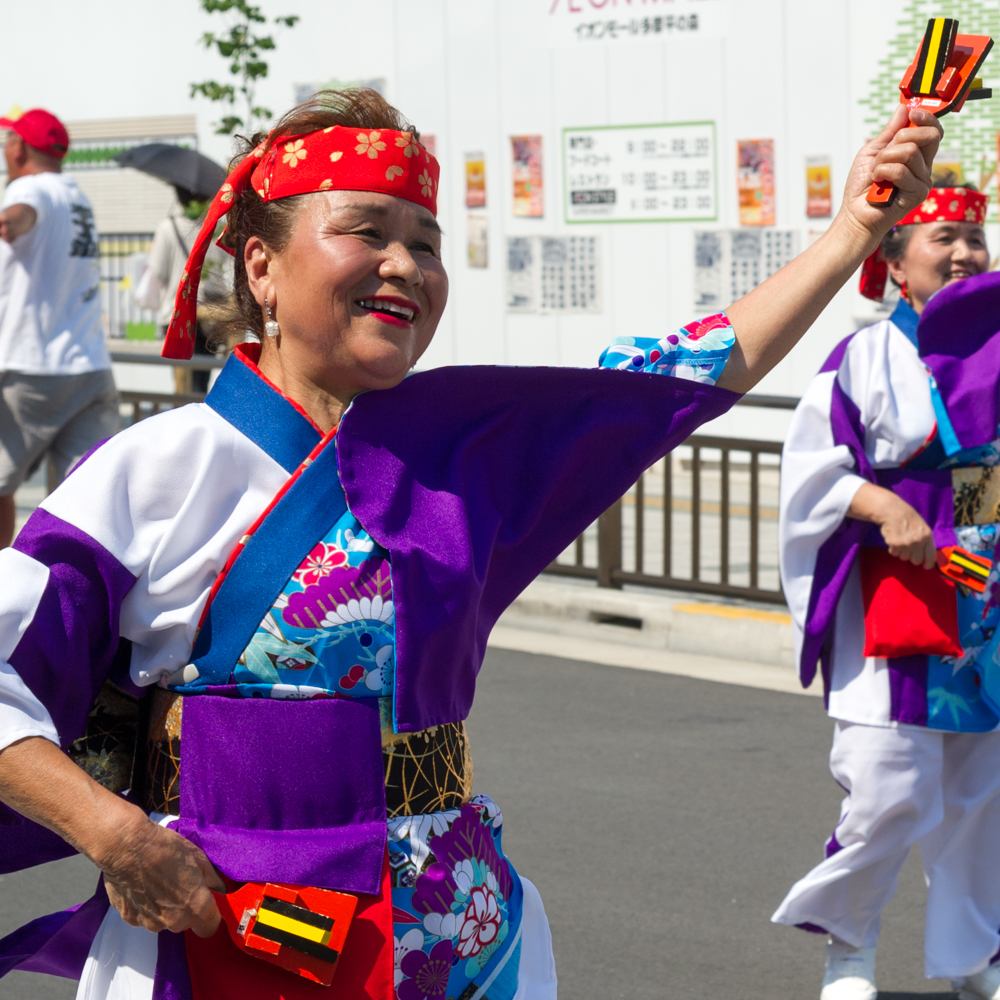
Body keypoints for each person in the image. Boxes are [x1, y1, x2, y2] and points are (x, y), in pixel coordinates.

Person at [0, 89, 939, 1000]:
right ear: (259, 267)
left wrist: (854, 228)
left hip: (455, 919)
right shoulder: (158, 466)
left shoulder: (461, 457)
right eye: (367, 232)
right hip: (231, 922)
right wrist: (114, 836)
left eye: (426, 244)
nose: (405, 265)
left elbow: (681, 377)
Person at [773, 186, 1000, 1000]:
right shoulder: (861, 356)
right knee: (886, 789)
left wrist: (974, 533)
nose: (966, 252)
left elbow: (984, 475)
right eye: (946, 237)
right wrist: (883, 504)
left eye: (975, 236)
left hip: (980, 596)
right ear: (896, 263)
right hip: (892, 595)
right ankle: (848, 949)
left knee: (981, 796)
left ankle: (974, 955)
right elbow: (810, 471)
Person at [0, 108, 118, 547]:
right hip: (89, 369)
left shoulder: (29, 187)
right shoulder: (77, 196)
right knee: (83, 501)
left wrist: (9, 223)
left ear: (18, 148)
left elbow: (21, 214)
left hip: (32, 371)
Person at [141, 185, 231, 393]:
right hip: (212, 312)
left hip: (178, 314)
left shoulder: (168, 228)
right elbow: (228, 264)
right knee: (203, 378)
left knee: (182, 382)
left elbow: (158, 271)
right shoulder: (217, 226)